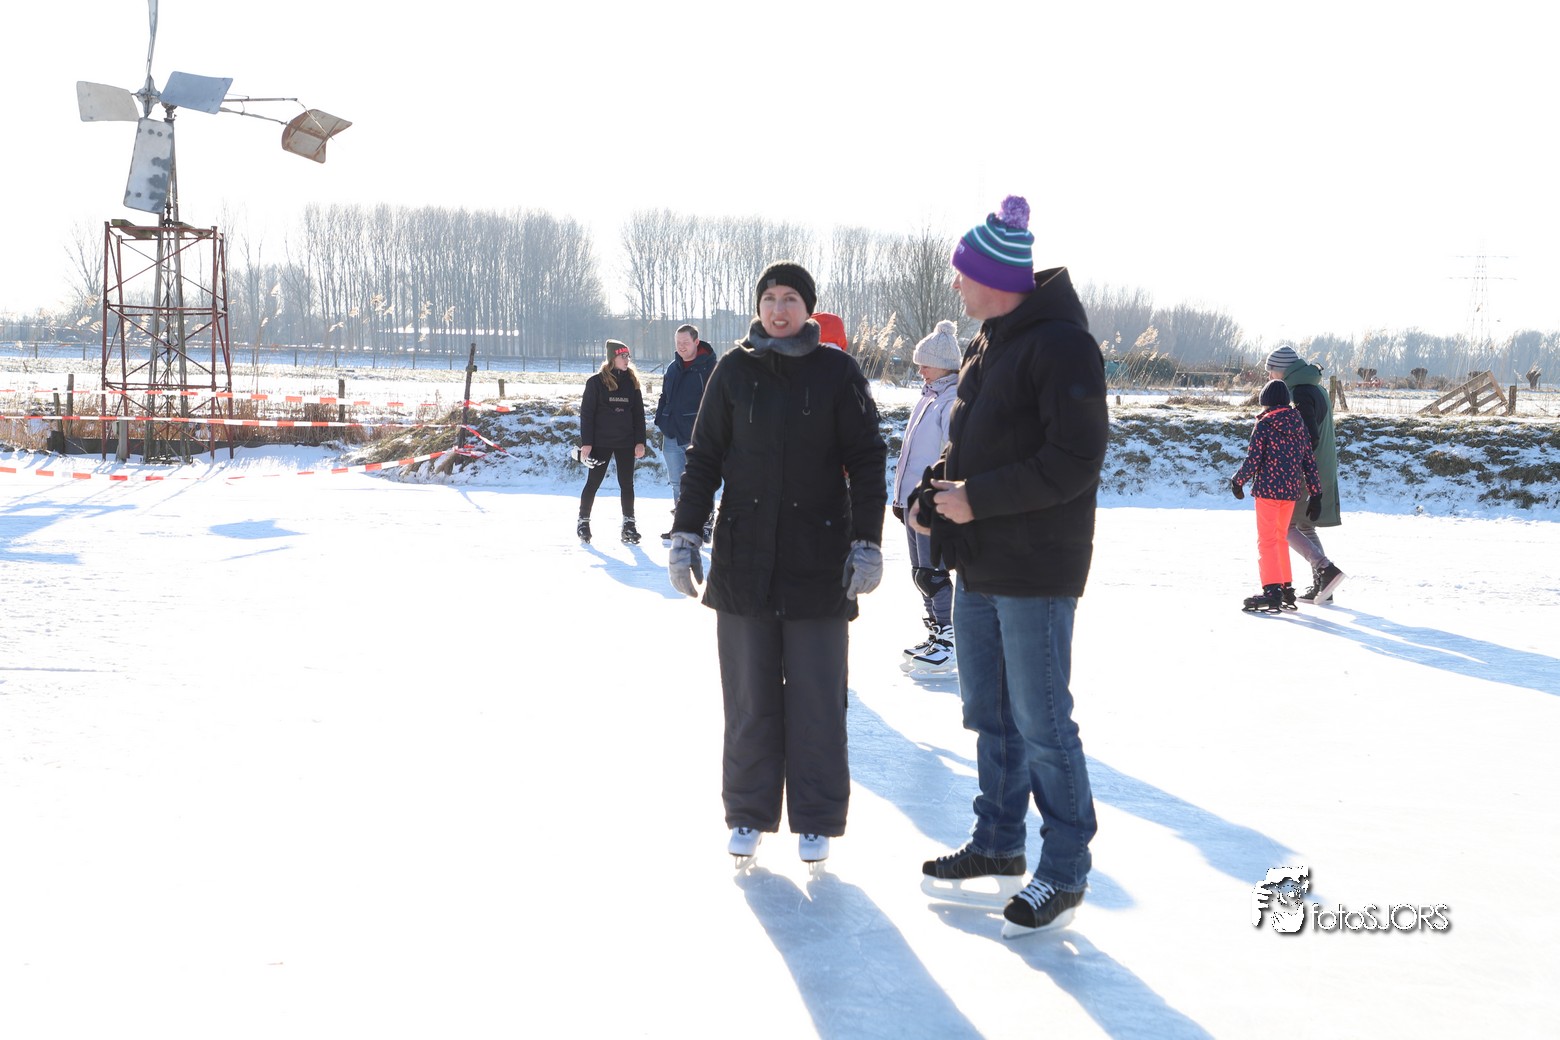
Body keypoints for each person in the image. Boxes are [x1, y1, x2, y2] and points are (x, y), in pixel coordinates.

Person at [911, 195, 1108, 939]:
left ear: (996, 279)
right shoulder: (989, 342)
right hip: (982, 562)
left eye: (962, 275)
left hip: (1036, 567)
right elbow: (970, 446)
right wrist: (936, 496)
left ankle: (1066, 868)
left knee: (1042, 722)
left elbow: (1075, 460)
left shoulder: (1062, 346)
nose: (955, 286)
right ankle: (997, 841)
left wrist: (978, 500)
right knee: (990, 715)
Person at [665, 261, 887, 868]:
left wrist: (867, 540)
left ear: (808, 307)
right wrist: (686, 533)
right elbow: (704, 457)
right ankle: (747, 812)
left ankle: (815, 820)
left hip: (819, 559)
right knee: (749, 697)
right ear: (758, 306)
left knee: (818, 700)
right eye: (769, 298)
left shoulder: (837, 372)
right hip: (745, 560)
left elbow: (868, 458)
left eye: (791, 298)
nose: (779, 309)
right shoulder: (734, 370)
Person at [891, 319, 962, 676]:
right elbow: (910, 455)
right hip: (911, 501)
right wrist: (900, 497)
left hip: (931, 503)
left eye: (925, 364)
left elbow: (953, 454)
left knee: (933, 572)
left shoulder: (951, 401)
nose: (920, 369)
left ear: (944, 365)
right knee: (920, 572)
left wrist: (937, 497)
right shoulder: (927, 398)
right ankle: (936, 632)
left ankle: (950, 638)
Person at [1231, 379, 1322, 613]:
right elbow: (1309, 462)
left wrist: (1238, 481)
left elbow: (1253, 460)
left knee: (1267, 540)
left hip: (1267, 492)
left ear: (1266, 402)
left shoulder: (1265, 424)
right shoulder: (1299, 424)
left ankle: (1271, 590)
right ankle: (1285, 586)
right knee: (1280, 538)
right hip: (1290, 493)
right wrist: (1316, 494)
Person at [1265, 345, 1347, 602]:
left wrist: (1289, 464)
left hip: (1307, 468)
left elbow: (1307, 435)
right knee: (1304, 525)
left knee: (1284, 525)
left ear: (1282, 370)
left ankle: (1326, 569)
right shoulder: (1315, 387)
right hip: (1321, 464)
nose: (1269, 377)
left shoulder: (1299, 392)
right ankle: (1324, 585)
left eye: (1271, 371)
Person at [577, 340, 646, 545]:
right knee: (593, 483)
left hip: (626, 441)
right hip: (601, 442)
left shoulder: (632, 382)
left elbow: (639, 415)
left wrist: (640, 441)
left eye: (628, 356)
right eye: (623, 356)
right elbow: (587, 414)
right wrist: (587, 443)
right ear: (612, 358)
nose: (627, 360)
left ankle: (629, 525)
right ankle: (583, 522)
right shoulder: (595, 383)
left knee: (627, 484)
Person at [652, 324, 716, 540]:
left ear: (696, 342)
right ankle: (682, 524)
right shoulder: (673, 367)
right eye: (678, 343)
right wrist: (661, 417)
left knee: (699, 481)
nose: (681, 347)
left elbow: (717, 402)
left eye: (685, 343)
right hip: (671, 433)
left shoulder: (709, 367)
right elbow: (665, 396)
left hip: (696, 434)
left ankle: (705, 522)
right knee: (677, 482)